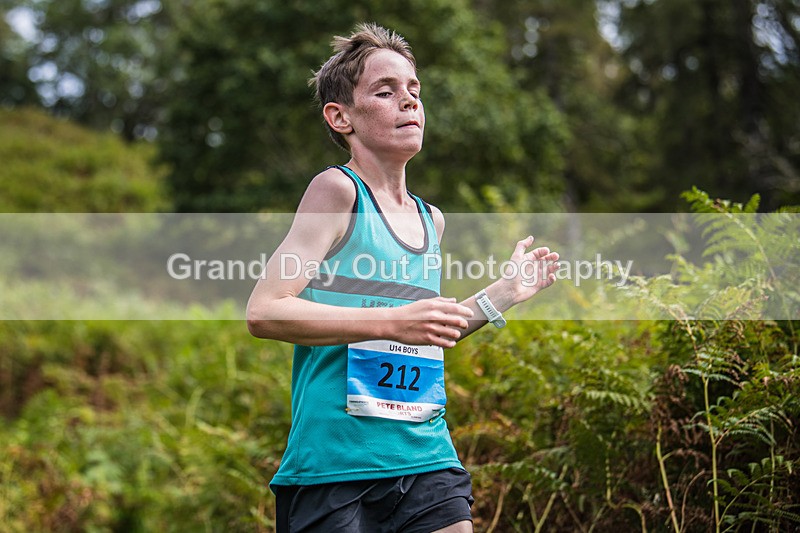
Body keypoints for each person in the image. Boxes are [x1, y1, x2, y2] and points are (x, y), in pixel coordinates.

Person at [246, 22, 559, 533]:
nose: (409, 102)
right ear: (340, 116)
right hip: (337, 464)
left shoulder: (431, 220)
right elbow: (265, 310)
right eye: (385, 92)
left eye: (414, 91)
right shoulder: (337, 191)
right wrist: (392, 322)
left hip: (425, 454)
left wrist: (503, 293)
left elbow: (422, 333)